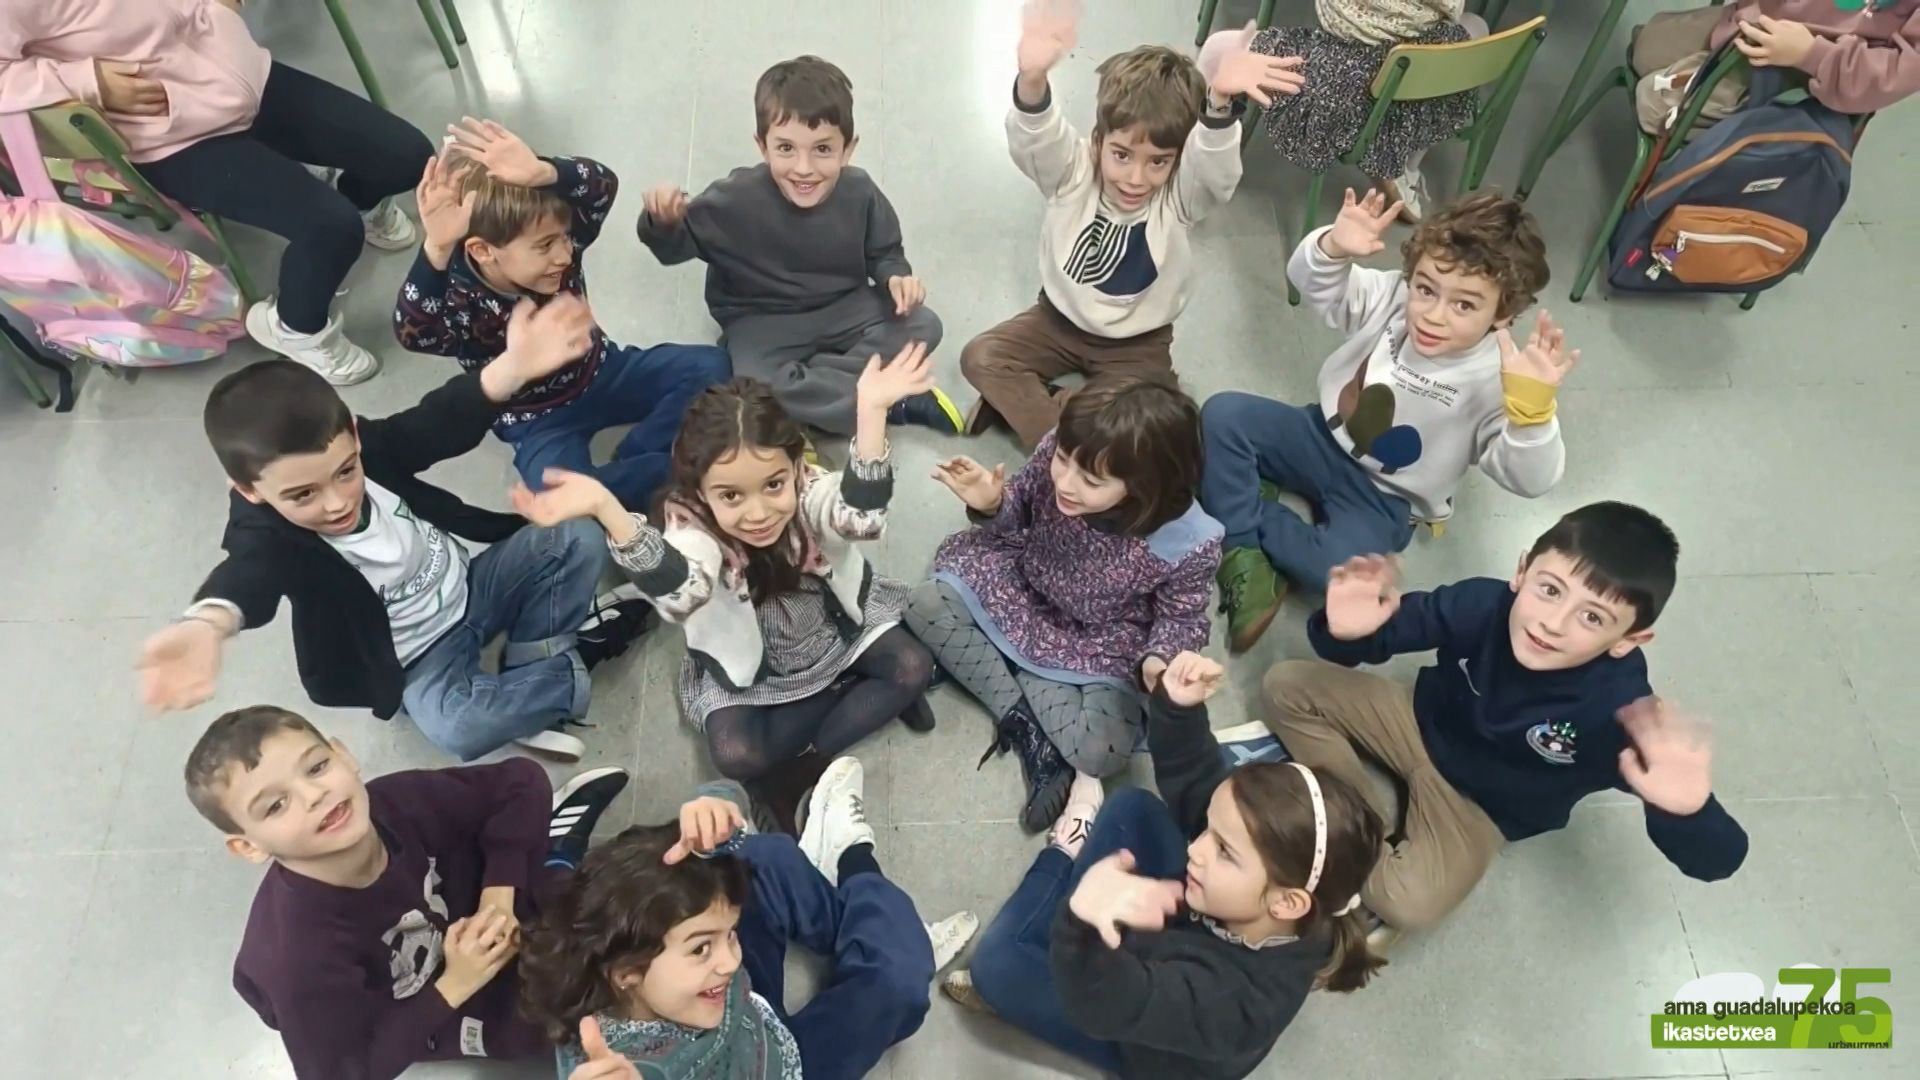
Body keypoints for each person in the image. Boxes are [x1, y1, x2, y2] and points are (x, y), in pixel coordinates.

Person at [1264, 502, 1750, 945]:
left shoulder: (1622, 712)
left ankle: (1348, 826)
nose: (1553, 623)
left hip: (1480, 808)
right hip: (1416, 721)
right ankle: (1359, 821)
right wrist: (1345, 632)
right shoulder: (1482, 603)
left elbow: (1718, 862)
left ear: (1628, 640)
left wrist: (1689, 812)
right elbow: (1381, 637)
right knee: (1285, 684)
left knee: (1410, 902)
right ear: (1521, 571)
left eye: (1593, 618)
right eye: (1550, 590)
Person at [135, 354, 651, 763]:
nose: (336, 502)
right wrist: (208, 623)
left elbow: (429, 427)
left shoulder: (366, 449)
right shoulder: (268, 534)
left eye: (346, 471)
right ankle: (563, 666)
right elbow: (249, 572)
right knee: (459, 728)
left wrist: (508, 369)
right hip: (418, 659)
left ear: (354, 435)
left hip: (472, 585)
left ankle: (532, 666)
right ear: (249, 490)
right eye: (302, 495)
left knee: (576, 534)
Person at [509, 351, 939, 833]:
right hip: (754, 653)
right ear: (700, 492)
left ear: (796, 468)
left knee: (912, 667)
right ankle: (859, 694)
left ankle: (799, 771)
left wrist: (872, 414)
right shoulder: (690, 525)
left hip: (832, 626)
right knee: (735, 755)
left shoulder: (810, 489)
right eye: (731, 495)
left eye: (773, 484)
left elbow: (859, 517)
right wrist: (608, 509)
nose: (758, 513)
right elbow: (681, 589)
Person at [944, 652, 1385, 1080]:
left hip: (1138, 1039)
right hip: (1183, 937)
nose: (1197, 849)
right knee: (1133, 807)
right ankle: (1072, 920)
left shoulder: (1236, 1005)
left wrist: (1084, 926)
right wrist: (1178, 709)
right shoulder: (1281, 891)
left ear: (1287, 903)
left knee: (997, 967)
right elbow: (1200, 783)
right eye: (1211, 831)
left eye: (1225, 851)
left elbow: (1107, 1004)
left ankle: (1062, 854)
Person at [1202, 189, 1573, 654]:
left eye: (1464, 305)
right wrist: (1332, 249)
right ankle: (1242, 546)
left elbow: (1532, 481)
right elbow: (1314, 284)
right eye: (1426, 289)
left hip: (1387, 497)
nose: (1433, 316)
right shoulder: (1394, 298)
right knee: (1222, 415)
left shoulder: (1501, 378)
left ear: (1503, 313)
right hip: (1319, 435)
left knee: (1336, 574)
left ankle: (1240, 523)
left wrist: (1532, 416)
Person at [183, 704, 632, 1079]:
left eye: (317, 767)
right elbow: (344, 1072)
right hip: (431, 1005)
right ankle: (555, 855)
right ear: (249, 847)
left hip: (473, 912)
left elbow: (520, 782)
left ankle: (556, 855)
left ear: (343, 755)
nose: (315, 795)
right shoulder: (299, 960)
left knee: (615, 912)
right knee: (572, 1023)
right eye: (276, 805)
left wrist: (498, 898)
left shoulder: (394, 801)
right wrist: (455, 984)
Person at [0, 0, 433, 384]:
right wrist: (86, 80)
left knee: (408, 157)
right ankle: (296, 328)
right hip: (169, 134)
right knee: (331, 227)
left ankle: (358, 199)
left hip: (239, 70)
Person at [958, 0, 1304, 449]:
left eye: (1158, 161)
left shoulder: (1180, 195)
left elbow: (1213, 174)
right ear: (1098, 140)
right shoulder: (1072, 171)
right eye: (1122, 155)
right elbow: (1038, 140)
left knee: (1164, 424)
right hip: (1056, 320)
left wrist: (1218, 106)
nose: (1136, 178)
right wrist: (1032, 80)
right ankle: (1066, 435)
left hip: (1139, 342)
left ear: (1177, 160)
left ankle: (1041, 408)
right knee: (981, 357)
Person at [521, 758, 973, 1080]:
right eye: (702, 947)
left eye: (729, 936)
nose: (730, 960)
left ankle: (864, 906)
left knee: (752, 859)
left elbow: (727, 799)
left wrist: (713, 804)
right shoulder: (625, 1066)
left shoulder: (624, 951)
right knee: (900, 975)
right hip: (788, 1067)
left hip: (752, 1019)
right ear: (626, 974)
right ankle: (859, 869)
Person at [907, 372, 1221, 832]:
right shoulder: (1068, 447)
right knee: (925, 604)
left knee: (1103, 750)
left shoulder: (1190, 540)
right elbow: (1020, 509)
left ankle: (991, 669)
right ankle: (1031, 728)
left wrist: (1159, 662)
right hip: (1023, 580)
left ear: (1145, 485)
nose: (1066, 483)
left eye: (1091, 481)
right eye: (1062, 460)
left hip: (1098, 636)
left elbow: (1183, 615)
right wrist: (992, 503)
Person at [394, 118, 731, 511]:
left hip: (605, 370)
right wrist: (435, 249)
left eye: (565, 238)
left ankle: (639, 455)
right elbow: (414, 332)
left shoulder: (560, 247)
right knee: (558, 497)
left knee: (711, 365)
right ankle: (665, 470)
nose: (565, 255)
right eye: (545, 246)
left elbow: (602, 186)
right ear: (483, 251)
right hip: (535, 419)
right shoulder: (458, 295)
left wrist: (545, 172)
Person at [637, 55, 960, 436]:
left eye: (822, 149)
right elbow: (673, 250)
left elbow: (885, 251)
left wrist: (896, 278)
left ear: (848, 149)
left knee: (924, 324)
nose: (804, 168)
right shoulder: (736, 198)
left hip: (843, 306)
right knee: (753, 386)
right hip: (762, 318)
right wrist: (663, 221)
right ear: (762, 146)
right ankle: (885, 401)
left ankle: (816, 404)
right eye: (786, 148)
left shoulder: (860, 191)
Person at [1246, 1, 1489, 221]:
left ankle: (1224, 123)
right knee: (1475, 27)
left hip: (1332, 75)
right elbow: (1453, 10)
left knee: (1243, 48)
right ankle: (1406, 163)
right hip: (1406, 70)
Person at [1631, 1, 1920, 134]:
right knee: (1643, 49)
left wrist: (1812, 55)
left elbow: (1894, 75)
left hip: (1798, 77)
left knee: (1651, 105)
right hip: (1754, 17)